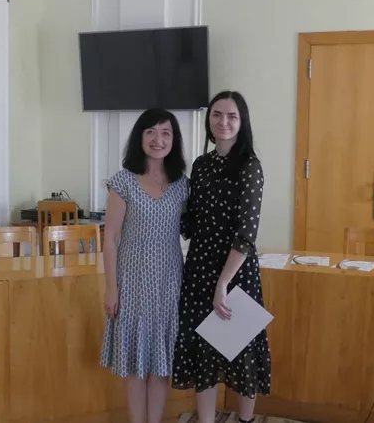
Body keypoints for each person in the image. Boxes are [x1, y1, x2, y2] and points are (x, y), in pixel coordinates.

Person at [172, 91, 271, 423]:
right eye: (217, 114)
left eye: (231, 116)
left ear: (242, 122)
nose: (223, 121)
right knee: (204, 352)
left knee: (241, 350)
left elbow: (246, 235)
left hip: (235, 273)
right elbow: (190, 222)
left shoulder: (250, 167)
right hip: (199, 267)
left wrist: (223, 283)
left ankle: (245, 420)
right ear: (208, 120)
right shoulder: (201, 165)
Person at [100, 108, 189, 423]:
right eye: (150, 131)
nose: (158, 139)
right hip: (132, 283)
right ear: (140, 137)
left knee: (161, 365)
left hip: (169, 283)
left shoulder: (182, 184)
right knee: (136, 365)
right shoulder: (123, 181)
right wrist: (111, 289)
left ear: (174, 140)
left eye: (166, 132)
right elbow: (110, 239)